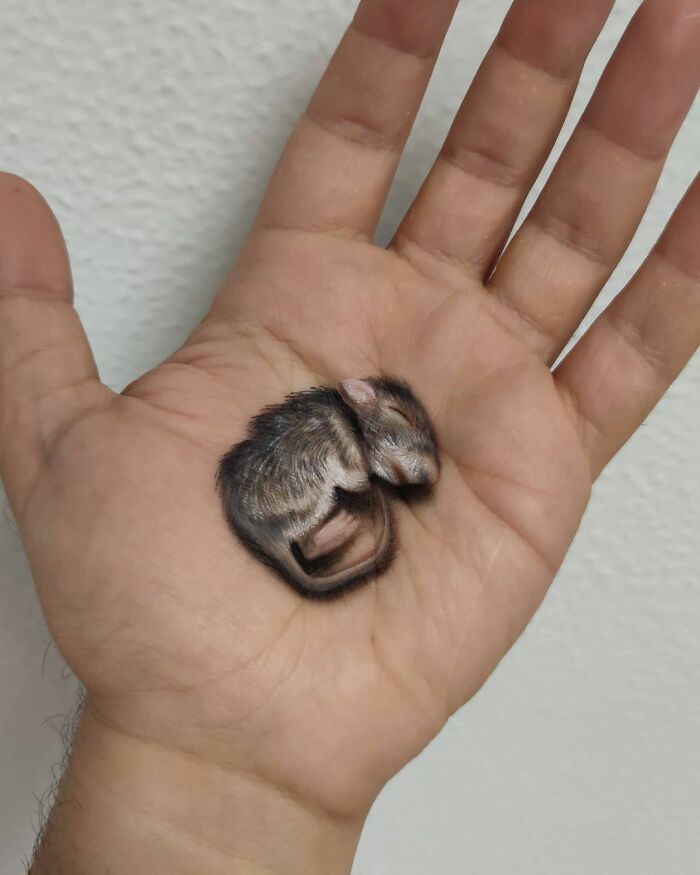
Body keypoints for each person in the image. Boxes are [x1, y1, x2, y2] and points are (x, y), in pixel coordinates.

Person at [1, 0, 697, 871]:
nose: (408, 479)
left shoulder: (360, 440)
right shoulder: (333, 438)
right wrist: (193, 755)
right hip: (288, 491)